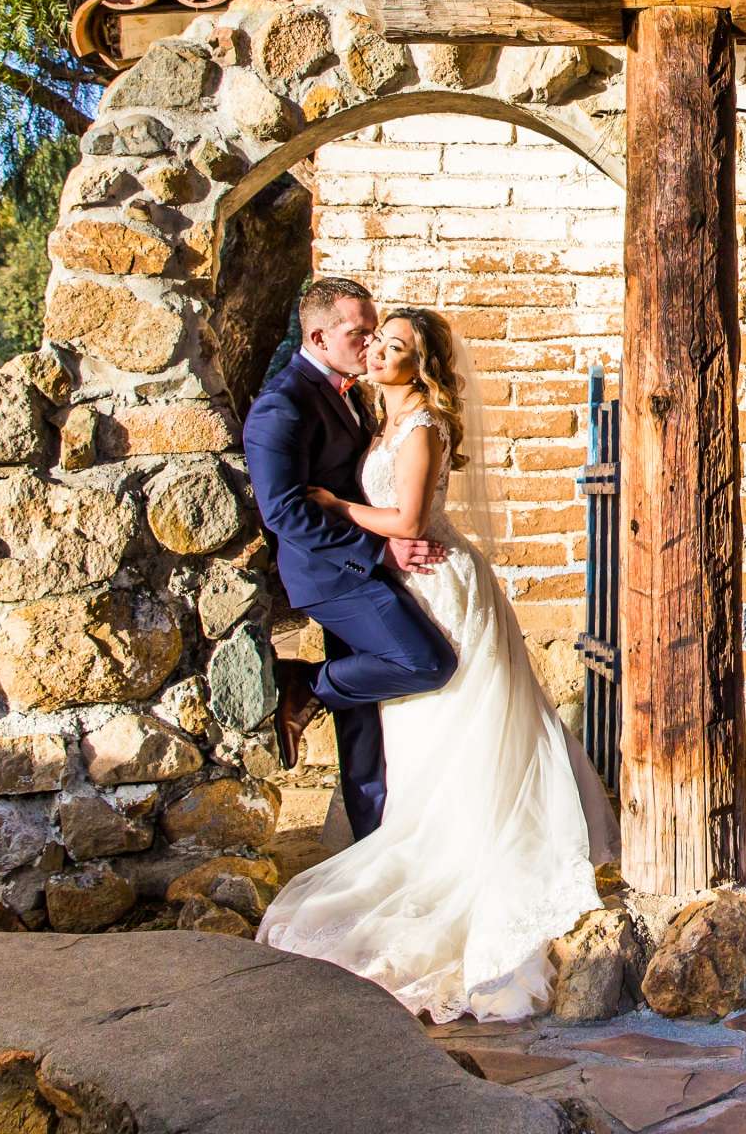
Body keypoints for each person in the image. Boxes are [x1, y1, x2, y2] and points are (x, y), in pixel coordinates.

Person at [256, 305, 617, 1020]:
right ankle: (407, 836)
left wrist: (337, 504)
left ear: (419, 364)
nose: (378, 352)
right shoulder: (371, 416)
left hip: (437, 581)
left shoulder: (420, 425)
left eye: (393, 345)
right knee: (424, 725)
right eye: (374, 340)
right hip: (400, 578)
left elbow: (411, 523)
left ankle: (463, 852)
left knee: (456, 705)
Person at [243, 279, 455, 839]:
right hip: (333, 575)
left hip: (362, 565)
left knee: (363, 719)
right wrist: (379, 549)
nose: (370, 345)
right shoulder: (281, 404)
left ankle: (373, 838)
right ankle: (306, 684)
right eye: (358, 333)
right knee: (425, 662)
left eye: (374, 331)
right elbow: (285, 513)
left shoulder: (355, 393)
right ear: (317, 335)